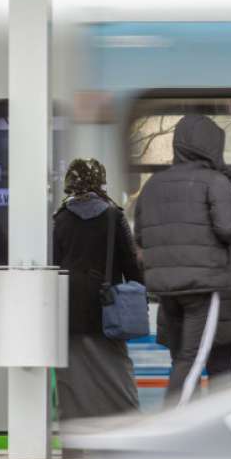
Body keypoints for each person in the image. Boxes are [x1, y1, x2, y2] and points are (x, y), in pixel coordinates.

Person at [135, 115, 231, 404]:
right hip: (208, 289)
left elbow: (140, 236)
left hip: (167, 291)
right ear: (212, 146)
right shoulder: (216, 182)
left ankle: (194, 423)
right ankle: (175, 423)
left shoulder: (153, 185)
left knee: (182, 359)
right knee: (202, 365)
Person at [52, 158, 140, 421]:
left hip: (69, 308)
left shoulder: (60, 219)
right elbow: (131, 265)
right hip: (107, 306)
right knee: (116, 370)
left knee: (72, 373)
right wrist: (140, 295)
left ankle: (75, 428)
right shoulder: (114, 216)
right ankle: (124, 421)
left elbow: (54, 264)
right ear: (101, 182)